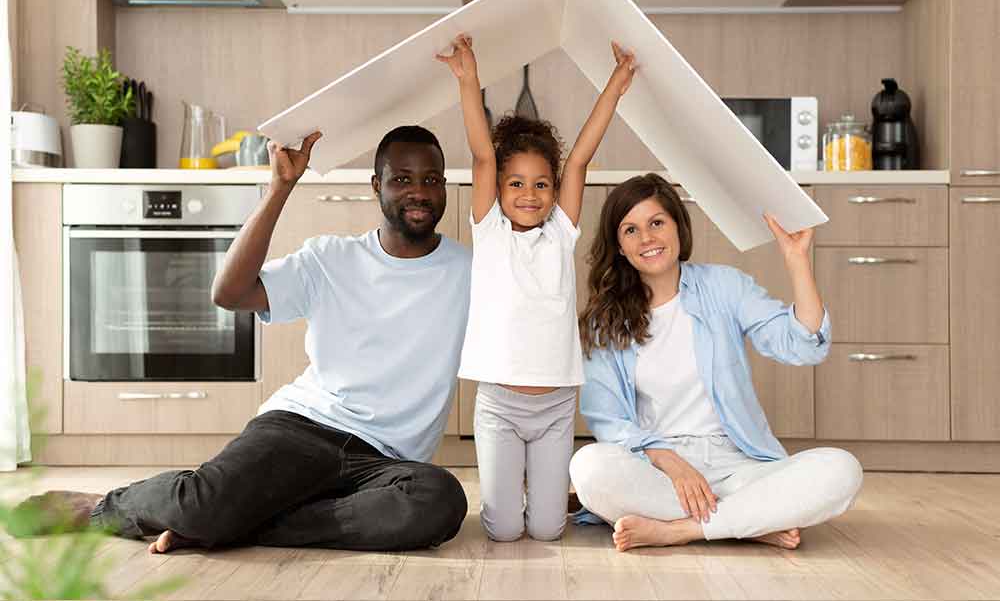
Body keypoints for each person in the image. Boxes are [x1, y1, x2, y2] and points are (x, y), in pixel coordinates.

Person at [16, 126, 472, 553]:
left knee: (439, 500)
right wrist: (280, 188)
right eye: (402, 179)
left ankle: (235, 524)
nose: (419, 191)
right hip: (303, 430)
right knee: (200, 504)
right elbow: (229, 293)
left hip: (387, 463)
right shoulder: (330, 258)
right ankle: (103, 508)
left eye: (432, 179)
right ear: (377, 185)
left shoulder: (468, 271)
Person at [569, 173, 862, 551]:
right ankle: (749, 522)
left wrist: (797, 261)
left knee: (842, 470)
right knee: (589, 467)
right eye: (630, 230)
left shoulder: (724, 286)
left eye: (657, 222)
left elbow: (804, 345)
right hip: (658, 468)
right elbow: (608, 420)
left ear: (678, 226)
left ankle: (681, 530)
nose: (647, 239)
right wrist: (673, 464)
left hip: (739, 463)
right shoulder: (603, 321)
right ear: (620, 247)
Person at [435, 34, 636, 542]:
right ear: (499, 189)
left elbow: (581, 159)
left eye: (541, 184)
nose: (529, 194)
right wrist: (469, 81)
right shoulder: (490, 231)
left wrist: (615, 85)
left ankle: (549, 494)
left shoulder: (560, 234)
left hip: (553, 407)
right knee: (503, 531)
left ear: (554, 192)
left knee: (548, 530)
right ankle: (513, 491)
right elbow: (483, 155)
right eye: (516, 183)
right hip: (500, 404)